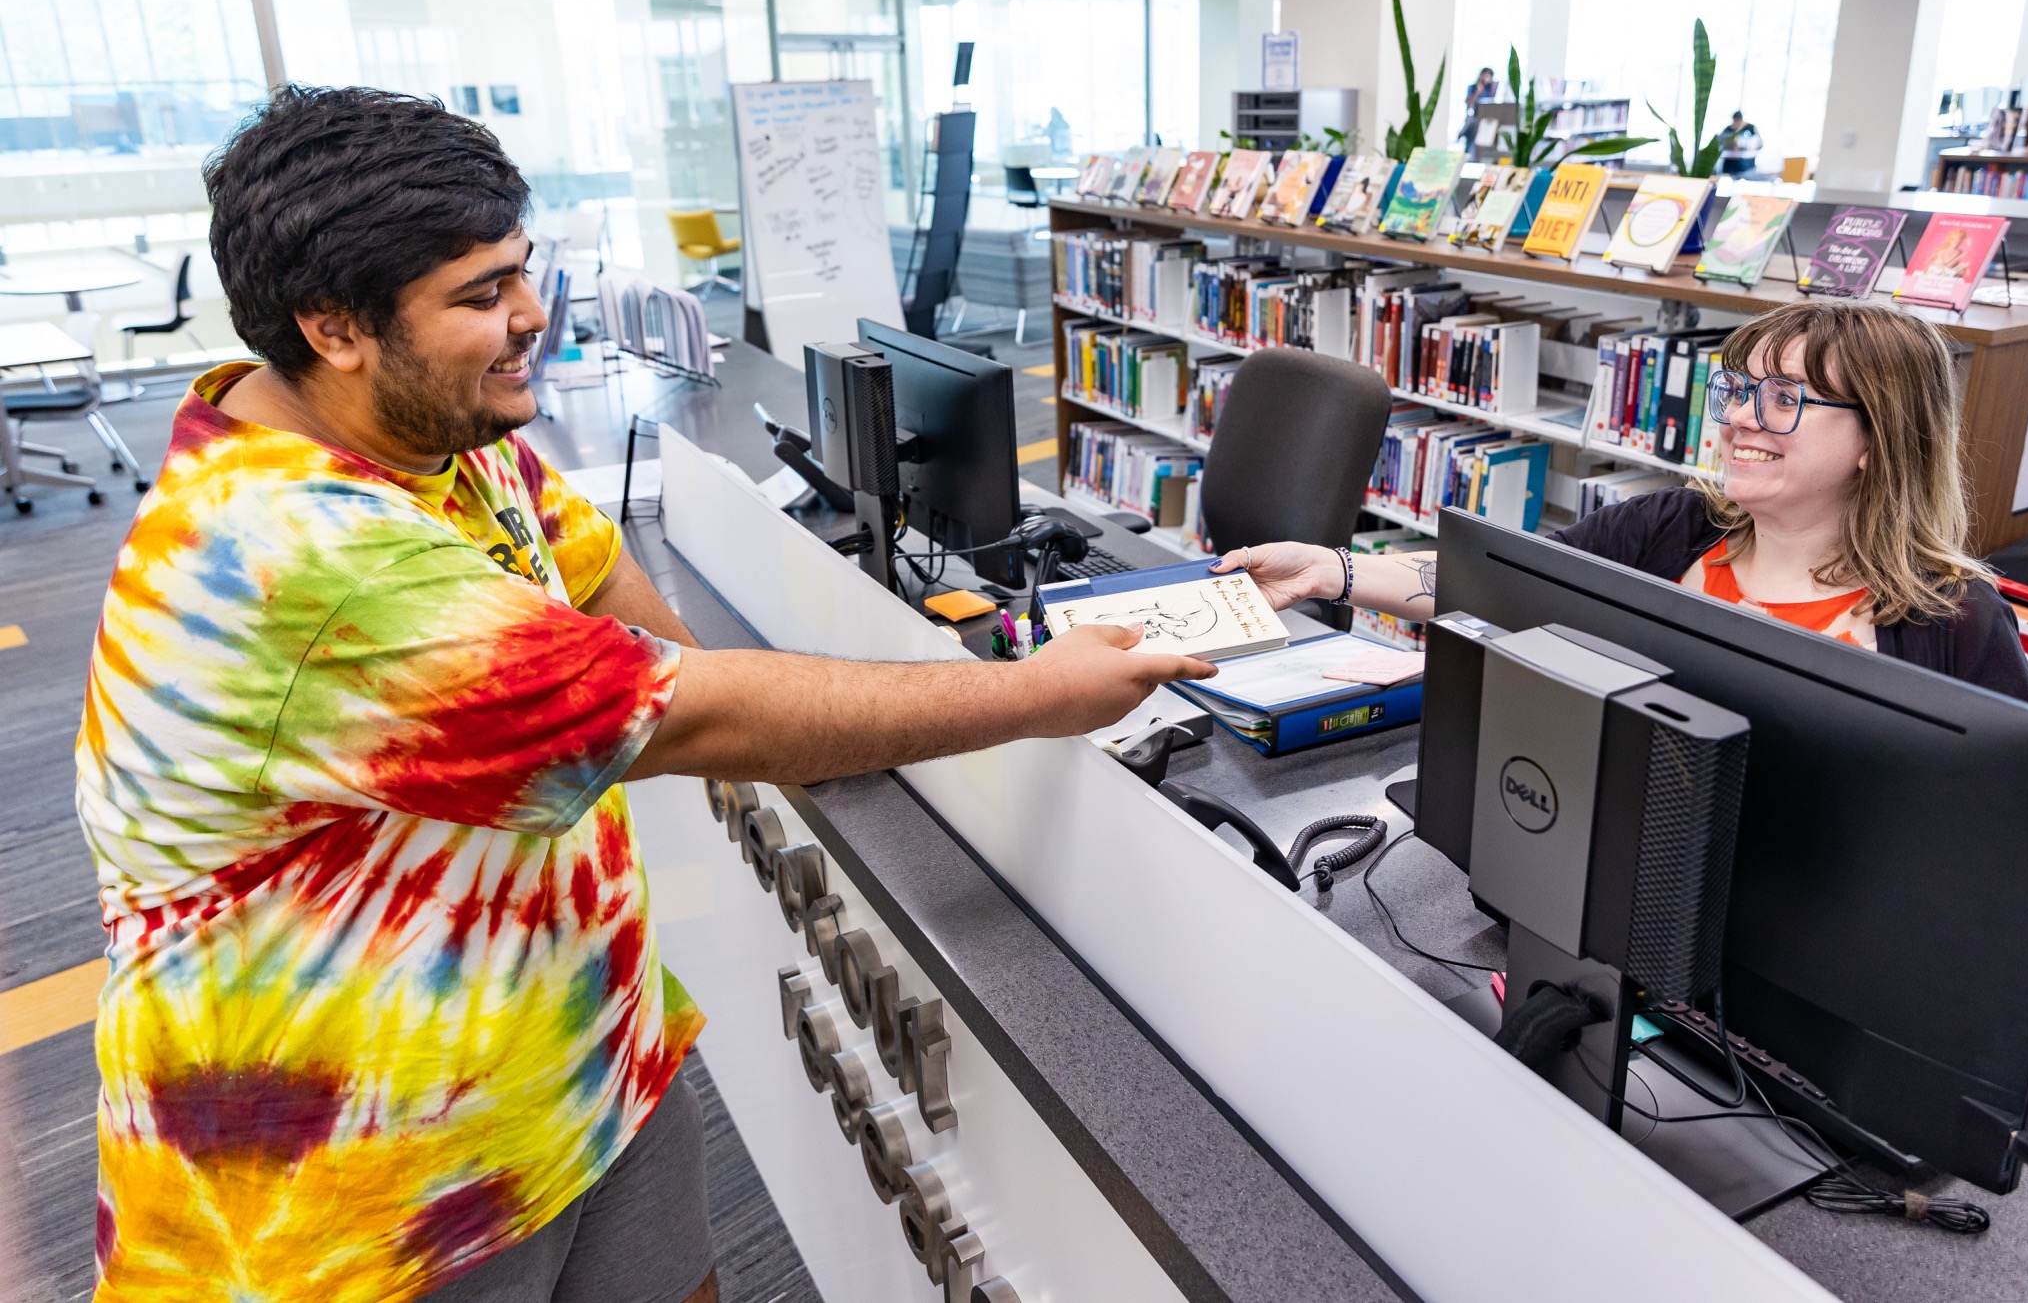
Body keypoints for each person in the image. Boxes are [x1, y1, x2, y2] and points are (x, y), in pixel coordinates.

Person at [75, 86, 1215, 1303]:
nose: (530, 318)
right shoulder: (288, 551)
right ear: (333, 325)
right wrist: (1033, 694)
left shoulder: (425, 432)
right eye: (478, 296)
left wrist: (710, 685)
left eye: (523, 270)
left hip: (574, 1070)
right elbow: (691, 719)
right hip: (356, 1197)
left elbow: (588, 565)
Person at [1212, 300, 2028, 702]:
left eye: (1786, 398)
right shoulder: (1670, 528)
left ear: (1877, 441)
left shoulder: (1951, 622)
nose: (1743, 419)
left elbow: (2003, 831)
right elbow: (1494, 580)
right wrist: (1331, 570)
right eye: (1739, 390)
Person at [1716, 110, 1762, 176]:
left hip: (1746, 163)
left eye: (1738, 121)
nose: (1736, 123)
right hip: (1730, 163)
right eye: (1735, 121)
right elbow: (1720, 142)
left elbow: (1759, 143)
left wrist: (1745, 145)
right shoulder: (1728, 129)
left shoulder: (1751, 128)